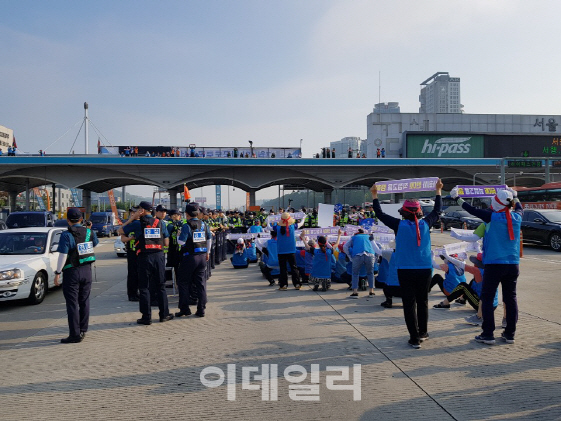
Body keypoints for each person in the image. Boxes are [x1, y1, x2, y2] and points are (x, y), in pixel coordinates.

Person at [371, 179, 443, 349]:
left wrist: (375, 195)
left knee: (409, 303)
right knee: (423, 301)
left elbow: (380, 214)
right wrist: (438, 191)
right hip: (425, 269)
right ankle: (423, 332)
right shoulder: (426, 223)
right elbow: (437, 210)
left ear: (403, 213)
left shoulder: (398, 225)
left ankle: (414, 338)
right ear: (419, 213)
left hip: (405, 270)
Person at [450, 186, 523, 345]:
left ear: (496, 203)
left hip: (494, 264)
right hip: (513, 265)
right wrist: (515, 195)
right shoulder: (518, 216)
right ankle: (510, 334)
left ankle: (488, 334)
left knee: (488, 298)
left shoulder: (491, 217)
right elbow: (518, 206)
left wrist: (456, 197)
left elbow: (470, 209)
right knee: (511, 298)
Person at [119, 201, 173, 325]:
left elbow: (120, 230)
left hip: (144, 257)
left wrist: (132, 218)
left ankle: (146, 317)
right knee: (161, 286)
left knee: (144, 287)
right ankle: (164, 314)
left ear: (141, 211)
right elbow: (166, 243)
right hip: (159, 256)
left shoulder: (137, 224)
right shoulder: (160, 223)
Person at [53, 208, 99, 343]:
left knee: (72, 304)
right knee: (84, 301)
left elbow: (63, 255)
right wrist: (88, 229)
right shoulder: (89, 232)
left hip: (71, 272)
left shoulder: (66, 235)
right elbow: (95, 243)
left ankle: (74, 334)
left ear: (68, 220)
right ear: (81, 219)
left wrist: (57, 273)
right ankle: (83, 329)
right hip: (87, 271)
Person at [176, 203, 212, 318]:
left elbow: (181, 242)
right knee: (201, 284)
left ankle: (185, 309)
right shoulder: (204, 225)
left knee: (183, 283)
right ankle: (201, 309)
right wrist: (208, 253)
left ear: (186, 214)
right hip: (202, 257)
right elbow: (209, 239)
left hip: (190, 257)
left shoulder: (186, 226)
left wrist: (178, 235)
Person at [271, 212, 305, 290]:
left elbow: (269, 227)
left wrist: (268, 222)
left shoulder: (277, 228)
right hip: (291, 250)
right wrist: (304, 218)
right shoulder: (293, 226)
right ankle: (297, 284)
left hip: (281, 251)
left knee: (283, 268)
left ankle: (283, 285)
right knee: (294, 267)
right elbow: (301, 223)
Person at [343, 229, 376, 298]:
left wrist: (349, 256)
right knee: (370, 273)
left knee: (355, 273)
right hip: (369, 254)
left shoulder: (354, 237)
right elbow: (375, 247)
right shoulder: (369, 236)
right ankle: (371, 291)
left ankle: (355, 292)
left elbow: (345, 246)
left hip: (357, 255)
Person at [120, 207, 140, 301]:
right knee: (132, 273)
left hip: (141, 252)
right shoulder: (129, 225)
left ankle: (139, 292)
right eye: (131, 213)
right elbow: (122, 236)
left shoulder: (142, 223)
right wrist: (130, 239)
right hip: (132, 251)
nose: (133, 214)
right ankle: (132, 294)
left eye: (134, 213)